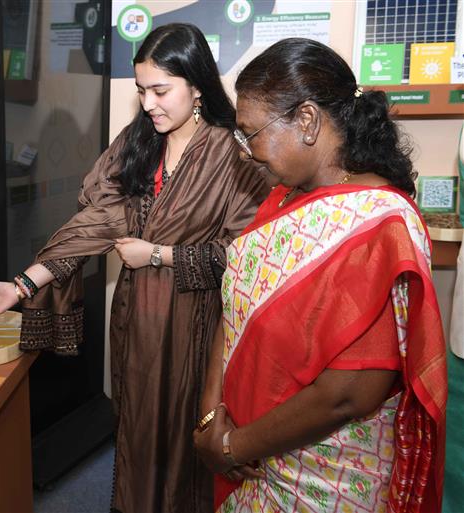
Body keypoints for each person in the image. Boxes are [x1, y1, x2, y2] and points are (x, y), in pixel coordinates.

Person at [0, 23, 269, 513]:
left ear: (196, 85)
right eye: (142, 90)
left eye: (161, 90)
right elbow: (97, 222)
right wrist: (21, 285)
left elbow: (246, 258)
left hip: (194, 326)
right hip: (135, 319)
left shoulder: (234, 157)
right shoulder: (139, 142)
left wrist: (160, 255)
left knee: (181, 432)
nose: (149, 104)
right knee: (135, 426)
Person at [193, 38, 448, 513]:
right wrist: (211, 419)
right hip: (247, 458)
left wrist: (232, 448)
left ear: (306, 121)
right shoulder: (283, 199)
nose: (245, 151)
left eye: (251, 133)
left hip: (323, 479)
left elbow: (349, 394)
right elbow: (235, 312)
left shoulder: (380, 222)